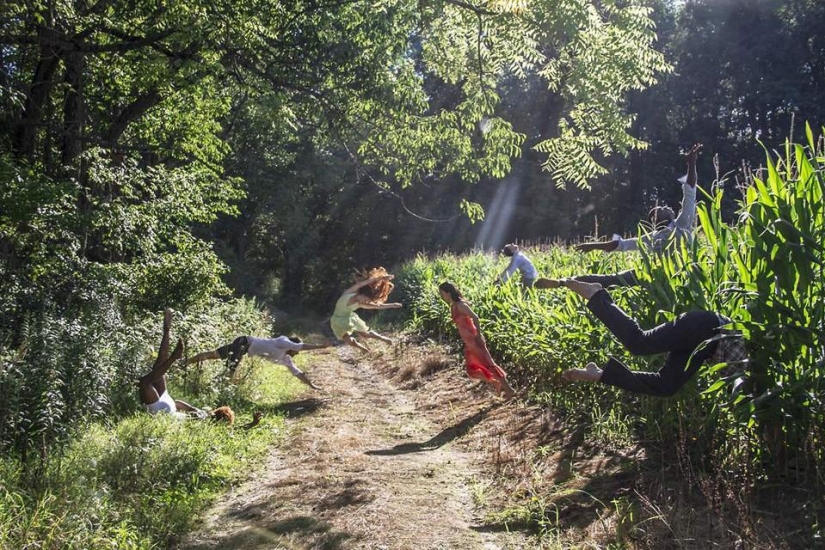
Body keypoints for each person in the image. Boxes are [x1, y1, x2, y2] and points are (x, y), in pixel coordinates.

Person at [558, 279, 747, 397]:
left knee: (665, 386)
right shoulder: (760, 379)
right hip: (706, 328)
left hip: (706, 347)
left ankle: (598, 374)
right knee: (639, 343)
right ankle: (597, 295)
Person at [555, 144, 703, 289]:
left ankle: (564, 282)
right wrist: (691, 163)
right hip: (663, 277)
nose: (665, 207)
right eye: (660, 209)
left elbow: (620, 245)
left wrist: (593, 245)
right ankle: (566, 282)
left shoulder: (653, 237)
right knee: (611, 280)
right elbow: (689, 191)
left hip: (657, 276)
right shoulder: (681, 224)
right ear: (657, 220)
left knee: (610, 280)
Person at [139, 309, 233, 422]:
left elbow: (181, 406)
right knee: (153, 372)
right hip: (167, 407)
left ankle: (168, 338)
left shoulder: (203, 416)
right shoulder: (204, 416)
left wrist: (191, 409)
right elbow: (180, 406)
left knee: (151, 375)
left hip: (167, 408)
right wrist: (192, 410)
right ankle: (167, 332)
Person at [438, 281, 516, 398]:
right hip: (468, 342)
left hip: (474, 339)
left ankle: (509, 390)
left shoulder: (460, 305)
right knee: (471, 370)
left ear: (448, 293)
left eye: (442, 293)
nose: (441, 296)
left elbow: (475, 317)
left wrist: (478, 336)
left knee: (489, 364)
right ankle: (496, 383)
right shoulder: (453, 306)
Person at [186, 335, 330, 390]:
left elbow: (297, 372)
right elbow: (300, 347)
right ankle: (209, 387)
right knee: (229, 370)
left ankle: (188, 365)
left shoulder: (286, 358)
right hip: (244, 342)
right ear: (293, 346)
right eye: (296, 350)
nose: (297, 353)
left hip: (243, 348)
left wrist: (311, 385)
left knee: (215, 356)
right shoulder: (283, 341)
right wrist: (320, 347)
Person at [330, 267, 402, 352]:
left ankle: (383, 338)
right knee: (348, 341)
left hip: (349, 318)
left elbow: (377, 306)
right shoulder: (349, 292)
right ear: (362, 294)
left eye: (367, 301)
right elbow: (365, 283)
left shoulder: (360, 304)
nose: (365, 302)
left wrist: (392, 305)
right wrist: (383, 278)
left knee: (366, 334)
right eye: (366, 300)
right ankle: (364, 349)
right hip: (337, 321)